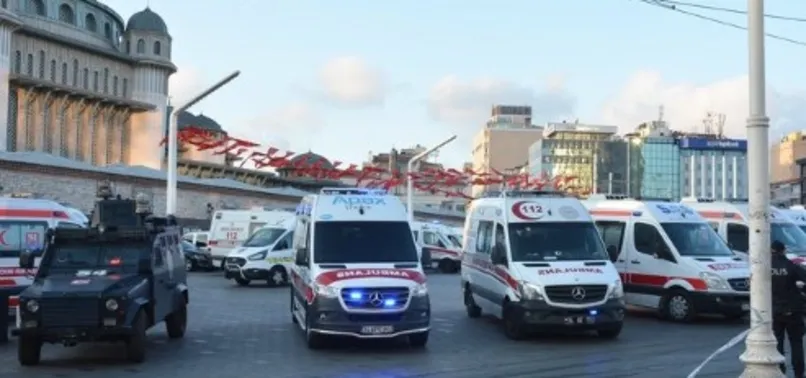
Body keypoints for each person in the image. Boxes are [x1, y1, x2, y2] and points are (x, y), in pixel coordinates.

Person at [771, 240, 806, 377]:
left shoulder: (765, 266)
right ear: (783, 250)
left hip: (774, 310)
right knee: (796, 343)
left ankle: (780, 370)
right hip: (793, 309)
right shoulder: (791, 266)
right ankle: (798, 373)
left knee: (777, 342)